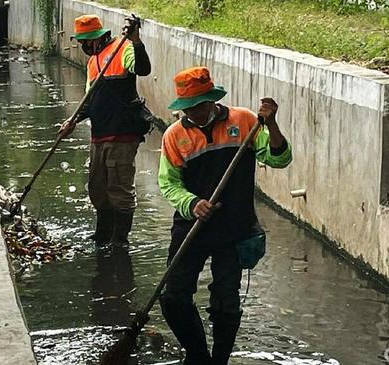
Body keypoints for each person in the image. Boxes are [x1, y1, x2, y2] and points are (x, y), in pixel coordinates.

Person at [157, 66, 292, 364]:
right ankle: (197, 354)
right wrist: (192, 203)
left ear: (212, 101)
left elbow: (279, 159)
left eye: (200, 106)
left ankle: (220, 360)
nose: (195, 113)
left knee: (226, 302)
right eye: (189, 108)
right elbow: (168, 184)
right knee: (173, 297)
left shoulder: (244, 122)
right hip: (192, 226)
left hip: (234, 227)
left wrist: (272, 125)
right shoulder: (174, 136)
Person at [59, 14, 152, 247]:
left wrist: (137, 42)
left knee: (119, 189)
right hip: (99, 135)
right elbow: (90, 102)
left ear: (93, 39)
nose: (81, 47)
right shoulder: (93, 63)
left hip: (122, 134)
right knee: (97, 188)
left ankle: (120, 240)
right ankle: (103, 235)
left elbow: (143, 68)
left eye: (82, 42)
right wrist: (73, 120)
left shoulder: (124, 49)